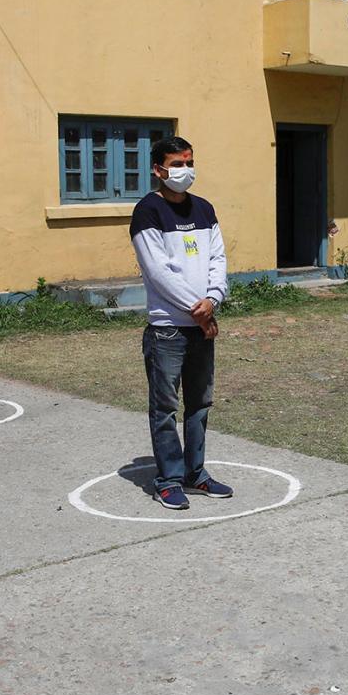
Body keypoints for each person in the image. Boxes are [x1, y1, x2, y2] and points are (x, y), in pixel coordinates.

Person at [129, 136, 231, 510]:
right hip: (167, 328)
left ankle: (196, 473)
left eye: (189, 162)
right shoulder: (148, 212)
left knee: (200, 404)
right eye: (176, 164)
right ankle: (169, 478)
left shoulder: (204, 209)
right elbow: (159, 272)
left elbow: (218, 259)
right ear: (158, 170)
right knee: (165, 407)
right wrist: (198, 310)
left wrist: (214, 298)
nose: (185, 170)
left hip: (202, 323)